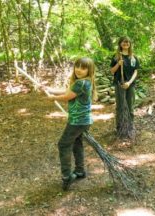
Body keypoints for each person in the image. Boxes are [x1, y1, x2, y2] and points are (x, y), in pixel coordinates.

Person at [42, 57, 97, 190]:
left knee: (63, 144)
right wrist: (48, 88)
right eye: (77, 66)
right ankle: (80, 171)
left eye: (83, 68)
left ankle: (67, 176)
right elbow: (68, 92)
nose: (78, 69)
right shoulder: (84, 82)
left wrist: (53, 98)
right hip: (84, 121)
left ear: (89, 70)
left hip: (77, 122)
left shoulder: (81, 83)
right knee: (77, 144)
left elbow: (67, 97)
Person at [110, 36, 140, 138]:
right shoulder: (116, 56)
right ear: (120, 44)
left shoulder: (133, 57)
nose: (126, 44)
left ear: (130, 44)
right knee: (120, 107)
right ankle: (119, 128)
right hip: (119, 84)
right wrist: (118, 64)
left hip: (130, 85)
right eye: (123, 42)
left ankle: (130, 128)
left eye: (127, 42)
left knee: (130, 106)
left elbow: (135, 72)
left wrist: (129, 83)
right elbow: (112, 71)